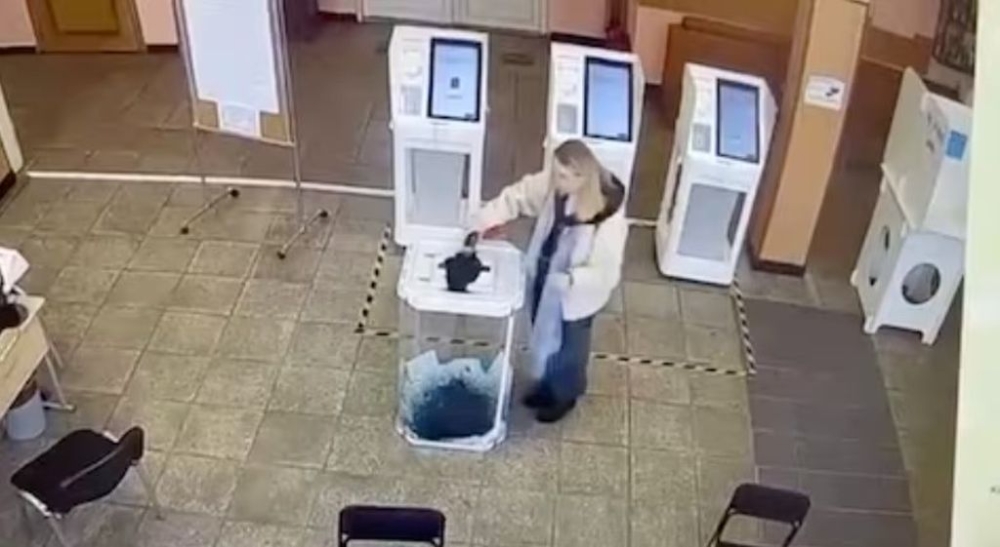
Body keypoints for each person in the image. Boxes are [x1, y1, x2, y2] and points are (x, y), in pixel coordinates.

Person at [473, 140, 628, 423]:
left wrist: (571, 281)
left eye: (565, 177)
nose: (557, 181)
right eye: (555, 172)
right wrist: (484, 220)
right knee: (542, 331)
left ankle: (564, 395)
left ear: (583, 178)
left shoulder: (607, 216)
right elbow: (517, 197)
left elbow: (607, 271)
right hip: (545, 271)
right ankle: (546, 384)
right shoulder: (555, 184)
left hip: (575, 295)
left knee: (569, 346)